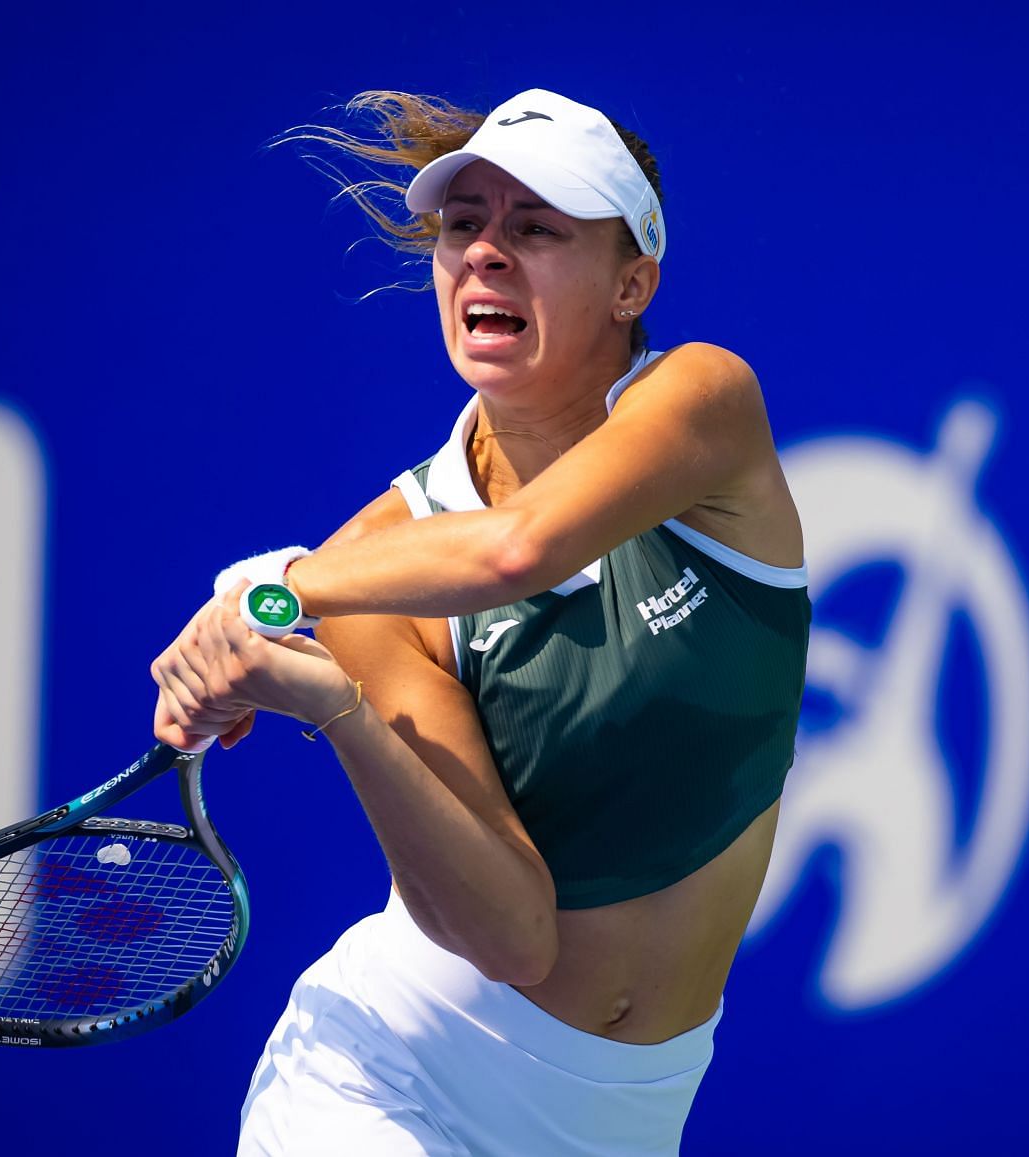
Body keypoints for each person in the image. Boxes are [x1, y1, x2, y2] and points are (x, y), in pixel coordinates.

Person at [149, 86, 809, 1156]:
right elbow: (509, 931)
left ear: (632, 282)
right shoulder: (373, 559)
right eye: (464, 226)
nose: (486, 254)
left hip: (624, 1123)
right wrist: (337, 704)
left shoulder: (706, 401)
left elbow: (517, 549)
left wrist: (282, 586)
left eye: (537, 228)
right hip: (380, 1076)